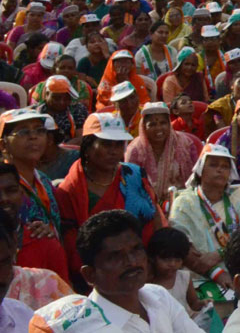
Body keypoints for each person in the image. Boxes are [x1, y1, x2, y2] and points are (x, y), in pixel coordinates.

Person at [30, 209, 203, 333]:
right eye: (114, 256)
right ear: (90, 274)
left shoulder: (158, 296)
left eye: (136, 249)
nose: (132, 262)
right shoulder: (81, 325)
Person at [56, 113, 164, 280]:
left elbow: (154, 218)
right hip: (98, 274)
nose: (114, 152)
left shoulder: (133, 175)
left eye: (118, 145)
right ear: (88, 147)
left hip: (143, 265)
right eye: (106, 145)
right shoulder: (70, 190)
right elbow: (72, 245)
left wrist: (153, 261)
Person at [168, 143, 240, 301]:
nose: (220, 170)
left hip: (238, 273)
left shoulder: (238, 197)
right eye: (213, 165)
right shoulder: (185, 202)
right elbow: (183, 248)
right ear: (201, 171)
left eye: (225, 166)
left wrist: (220, 253)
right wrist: (217, 273)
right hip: (197, 277)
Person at [0, 109, 70, 279]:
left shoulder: (44, 181)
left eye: (39, 130)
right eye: (24, 131)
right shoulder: (3, 183)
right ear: (3, 145)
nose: (34, 137)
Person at [125, 102, 203, 202]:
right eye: (152, 124)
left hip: (182, 202)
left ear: (169, 124)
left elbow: (196, 178)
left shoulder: (185, 144)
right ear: (144, 127)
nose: (158, 128)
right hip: (145, 204)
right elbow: (130, 186)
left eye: (163, 123)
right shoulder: (135, 150)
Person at [146, 226, 204, 315]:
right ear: (153, 258)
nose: (172, 264)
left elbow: (193, 303)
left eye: (177, 260)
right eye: (166, 259)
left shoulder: (184, 278)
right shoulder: (148, 283)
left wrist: (202, 304)